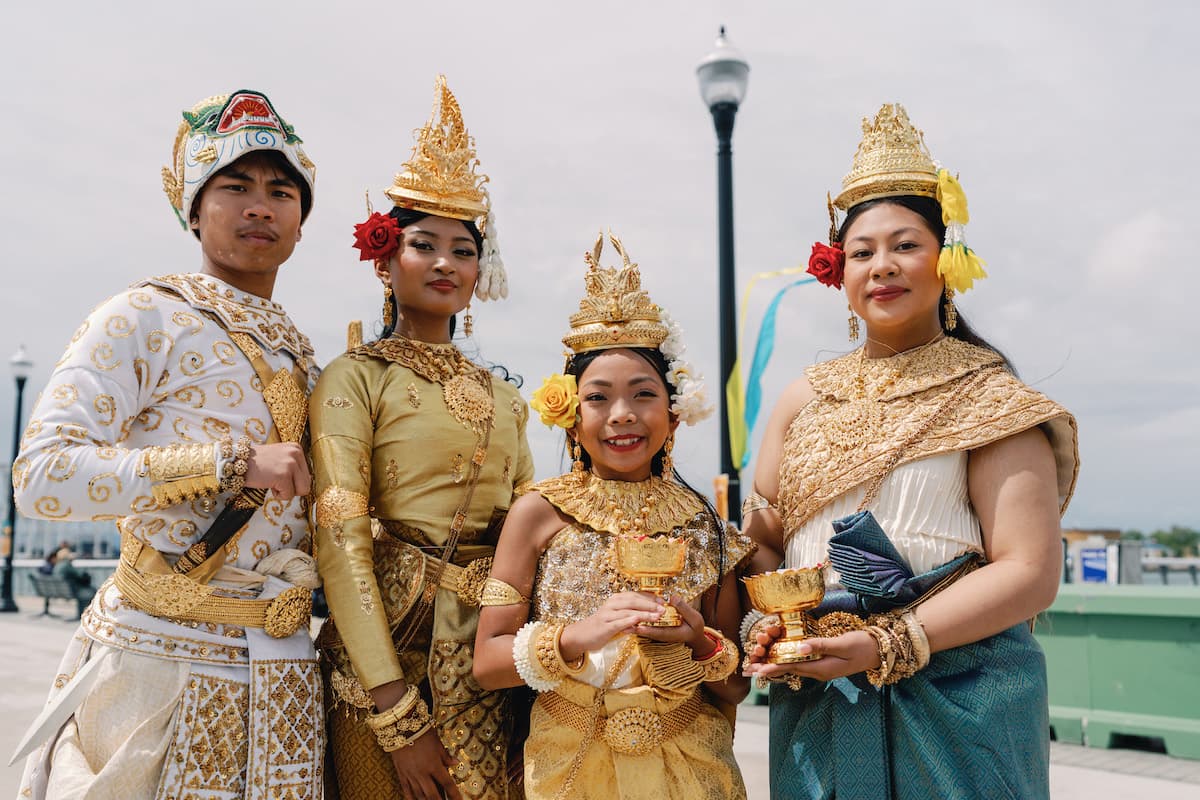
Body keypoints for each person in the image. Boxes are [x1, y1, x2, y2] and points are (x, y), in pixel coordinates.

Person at [741, 103, 1080, 800]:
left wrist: (885, 643)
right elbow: (765, 543)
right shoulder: (803, 398)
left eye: (905, 245)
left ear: (945, 260)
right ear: (840, 272)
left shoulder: (989, 397)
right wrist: (764, 626)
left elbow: (1029, 570)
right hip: (824, 692)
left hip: (959, 692)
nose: (883, 266)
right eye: (862, 251)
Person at [13, 89, 323, 799]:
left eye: (281, 191)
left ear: (302, 221)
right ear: (193, 207)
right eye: (235, 187)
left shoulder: (305, 356)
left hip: (284, 679)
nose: (260, 206)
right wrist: (230, 464)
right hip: (155, 661)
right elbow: (43, 476)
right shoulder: (143, 315)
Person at [473, 231, 752, 800]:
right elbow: (488, 660)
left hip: (691, 765)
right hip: (570, 766)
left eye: (643, 394)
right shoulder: (539, 513)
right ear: (572, 417)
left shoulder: (708, 529)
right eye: (598, 397)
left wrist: (697, 639)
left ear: (673, 416)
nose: (621, 415)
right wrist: (577, 635)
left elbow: (736, 685)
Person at [310, 75, 527, 800]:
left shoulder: (505, 395)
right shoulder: (354, 377)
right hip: (386, 654)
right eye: (423, 244)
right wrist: (394, 709)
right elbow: (340, 534)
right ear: (385, 258)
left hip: (488, 660)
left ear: (477, 274)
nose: (443, 263)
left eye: (462, 250)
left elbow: (533, 532)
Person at [51, 545, 95, 619]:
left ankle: (85, 614)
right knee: (92, 591)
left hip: (61, 590)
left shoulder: (57, 565)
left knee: (87, 590)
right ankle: (87, 615)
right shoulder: (66, 565)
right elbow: (79, 575)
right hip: (71, 591)